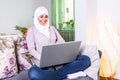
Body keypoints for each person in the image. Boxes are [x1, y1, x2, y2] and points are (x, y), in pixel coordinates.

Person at [26, 6, 91, 80]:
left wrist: (56, 45)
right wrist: (43, 58)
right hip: (43, 64)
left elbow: (62, 42)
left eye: (46, 17)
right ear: (36, 17)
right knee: (33, 73)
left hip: (59, 61)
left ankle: (54, 76)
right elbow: (31, 50)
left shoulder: (52, 28)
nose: (44, 19)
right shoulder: (31, 31)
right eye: (41, 17)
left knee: (86, 59)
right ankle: (70, 73)